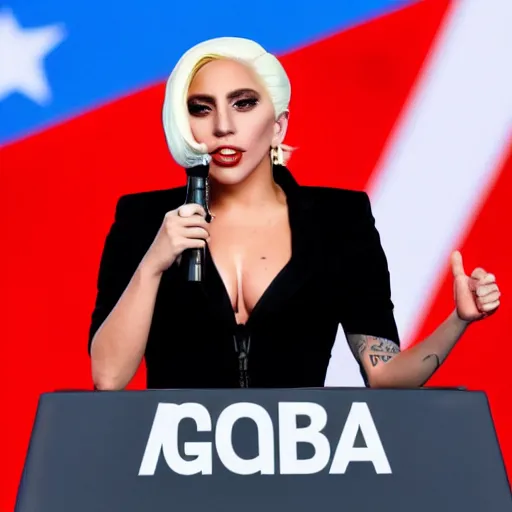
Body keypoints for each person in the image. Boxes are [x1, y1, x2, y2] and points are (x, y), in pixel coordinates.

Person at [88, 37, 501, 391]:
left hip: (302, 461)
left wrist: (458, 321)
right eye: (201, 108)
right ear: (185, 124)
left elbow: (385, 374)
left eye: (244, 103)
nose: (223, 126)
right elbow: (108, 378)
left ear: (278, 125)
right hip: (178, 463)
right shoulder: (141, 220)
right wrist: (153, 264)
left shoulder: (340, 219)